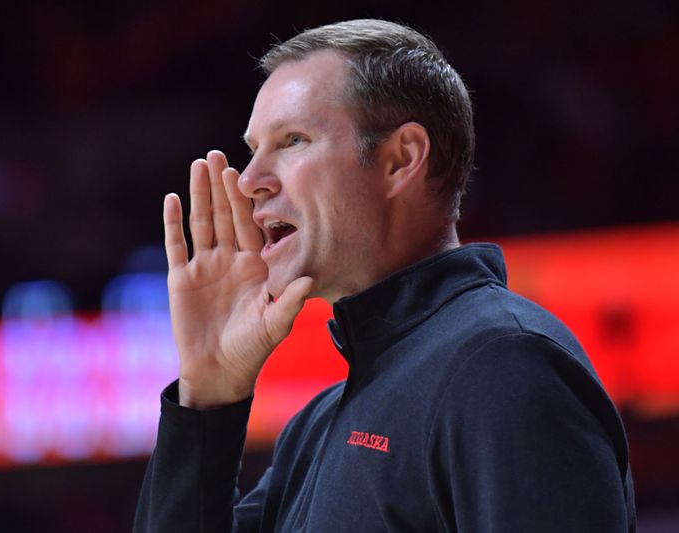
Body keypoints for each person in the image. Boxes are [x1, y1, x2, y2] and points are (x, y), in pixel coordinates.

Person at [133, 19, 636, 532]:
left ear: (401, 159)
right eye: (253, 149)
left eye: (292, 140)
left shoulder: (504, 367)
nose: (250, 181)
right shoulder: (316, 425)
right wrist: (209, 390)